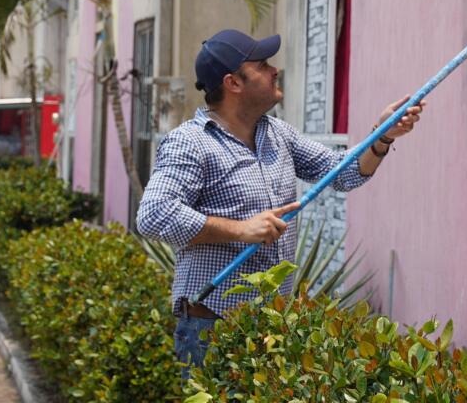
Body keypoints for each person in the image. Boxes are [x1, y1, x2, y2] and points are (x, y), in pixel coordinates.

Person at [136, 29, 425, 374]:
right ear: (233, 83)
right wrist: (241, 230)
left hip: (272, 327)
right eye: (263, 65)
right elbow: (154, 214)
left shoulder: (278, 134)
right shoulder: (190, 143)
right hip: (211, 329)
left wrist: (383, 135)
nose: (275, 70)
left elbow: (343, 173)